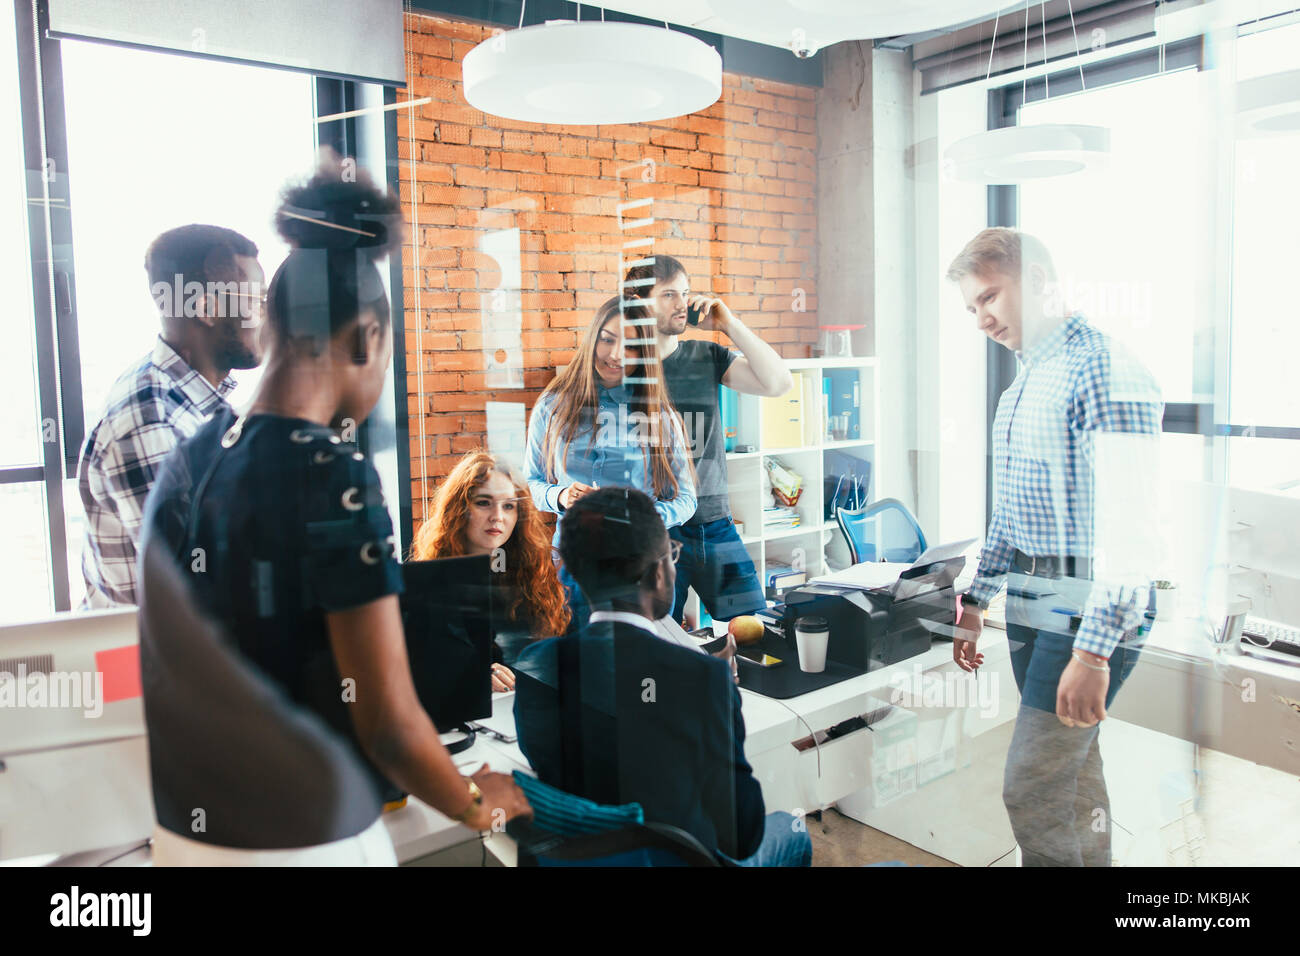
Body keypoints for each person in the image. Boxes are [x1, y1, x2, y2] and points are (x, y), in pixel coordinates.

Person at [139, 160, 528, 862]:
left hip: (187, 835)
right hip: (304, 839)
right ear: (367, 340)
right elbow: (386, 722)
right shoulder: (336, 474)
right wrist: (478, 803)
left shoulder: (191, 453)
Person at [946, 227, 1162, 867]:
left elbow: (1135, 526)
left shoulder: (1104, 367)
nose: (983, 319)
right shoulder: (1019, 388)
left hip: (1088, 605)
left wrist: (1095, 651)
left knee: (1031, 787)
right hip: (1031, 601)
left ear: (1038, 280)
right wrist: (977, 600)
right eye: (971, 309)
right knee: (1071, 771)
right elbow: (1010, 513)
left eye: (990, 297)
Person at [512, 486, 812, 866]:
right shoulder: (704, 679)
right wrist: (719, 701)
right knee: (791, 828)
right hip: (681, 859)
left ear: (572, 574)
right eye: (671, 555)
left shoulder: (535, 666)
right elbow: (743, 836)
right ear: (657, 573)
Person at [78, 224, 266, 608]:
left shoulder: (199, 400)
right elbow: (197, 590)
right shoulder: (151, 419)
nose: (266, 316)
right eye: (256, 300)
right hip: (150, 661)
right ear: (206, 307)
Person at [623, 254, 789, 623]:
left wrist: (728, 325)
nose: (682, 304)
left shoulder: (706, 355)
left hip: (714, 524)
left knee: (756, 632)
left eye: (685, 292)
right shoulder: (619, 369)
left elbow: (779, 383)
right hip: (655, 533)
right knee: (658, 639)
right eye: (668, 295)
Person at [525, 296, 697, 633]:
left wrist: (640, 518)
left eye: (631, 346)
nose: (616, 354)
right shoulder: (552, 405)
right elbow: (532, 482)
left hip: (641, 565)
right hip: (573, 565)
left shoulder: (659, 416)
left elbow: (687, 500)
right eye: (607, 339)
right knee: (579, 671)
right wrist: (559, 497)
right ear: (593, 340)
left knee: (647, 668)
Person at [410, 449, 572, 691]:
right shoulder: (429, 580)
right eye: (484, 503)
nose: (497, 517)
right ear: (459, 509)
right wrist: (473, 673)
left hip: (535, 703)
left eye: (508, 506)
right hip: (472, 712)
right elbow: (417, 667)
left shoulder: (534, 571)